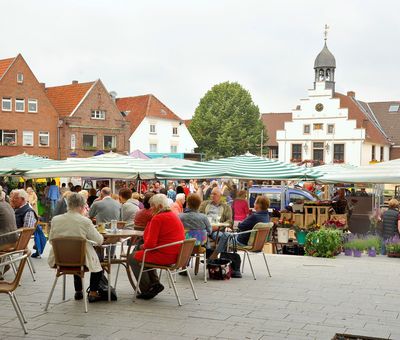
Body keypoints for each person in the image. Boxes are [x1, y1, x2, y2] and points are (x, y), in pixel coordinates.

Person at [48, 193, 104, 302]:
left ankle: (78, 291)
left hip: (59, 259)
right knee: (97, 260)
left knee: (77, 256)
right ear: (82, 206)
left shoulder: (55, 219)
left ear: (68, 204)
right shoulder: (85, 221)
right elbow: (99, 241)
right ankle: (93, 292)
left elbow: (51, 240)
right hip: (81, 260)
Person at [129, 194, 185, 299]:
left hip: (165, 255)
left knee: (132, 257)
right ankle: (155, 284)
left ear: (159, 206)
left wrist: (141, 246)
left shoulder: (158, 218)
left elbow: (150, 244)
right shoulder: (173, 215)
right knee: (142, 255)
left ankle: (147, 289)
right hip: (176, 254)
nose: (150, 209)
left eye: (152, 206)